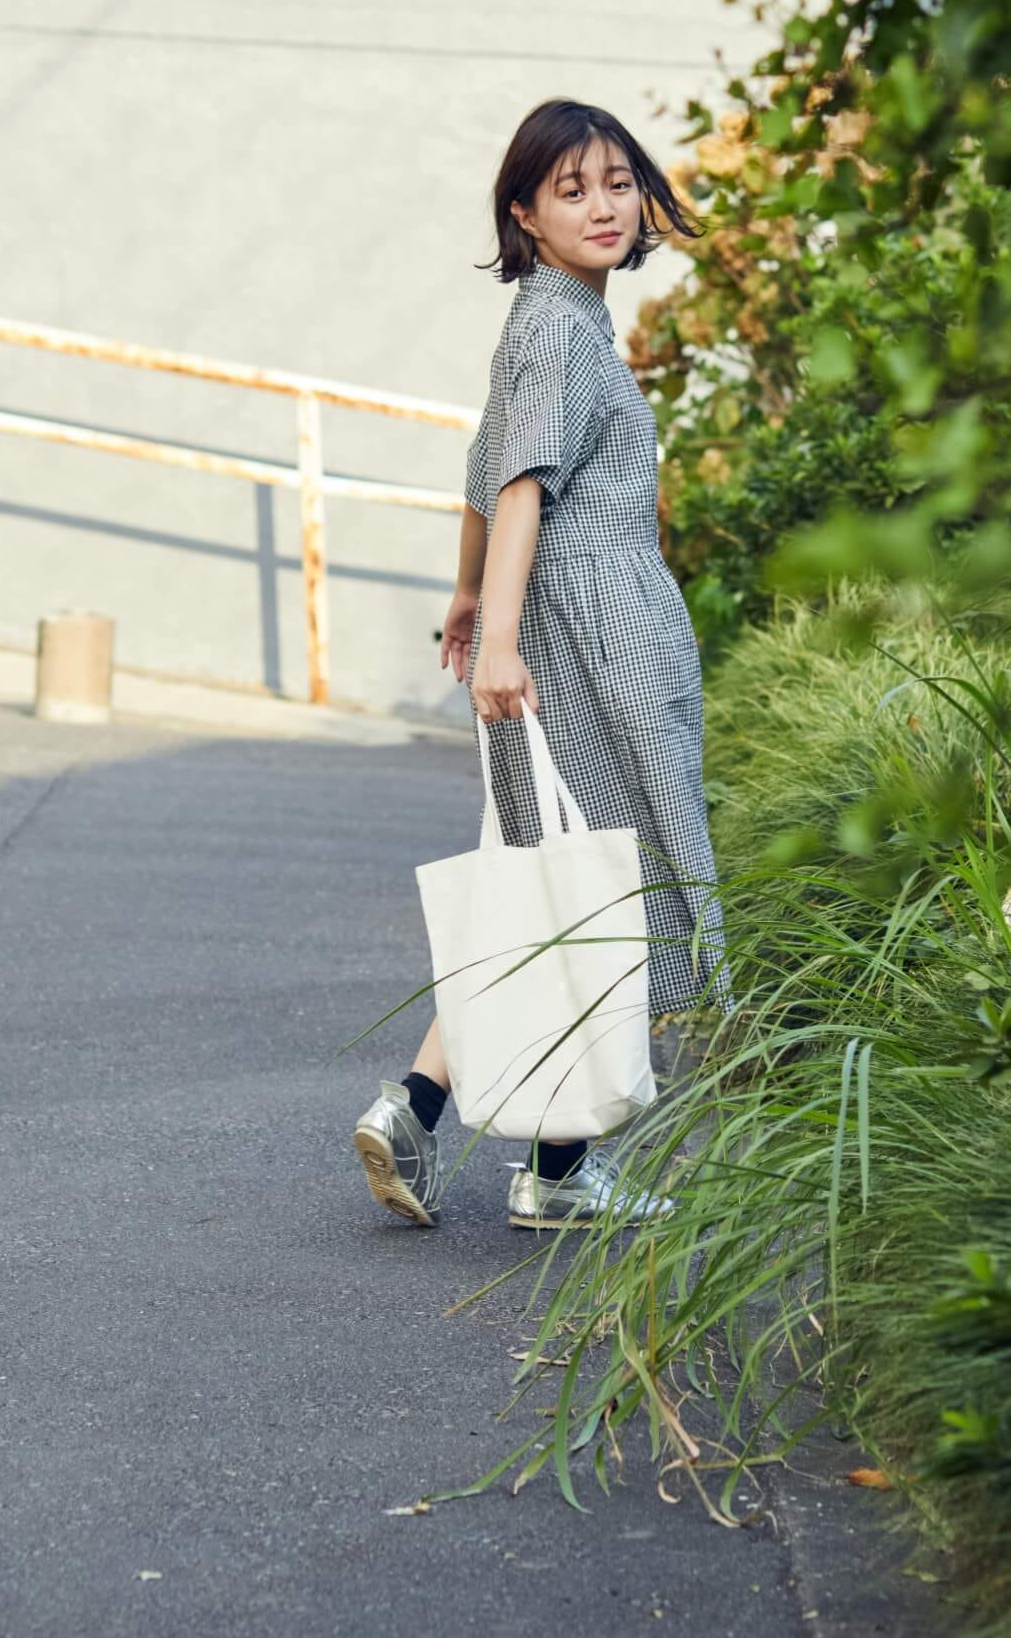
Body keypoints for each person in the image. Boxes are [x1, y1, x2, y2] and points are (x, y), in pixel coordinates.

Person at [353, 97, 726, 1231]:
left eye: (617, 181)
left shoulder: (542, 320)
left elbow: (483, 468)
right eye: (571, 190)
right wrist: (498, 635)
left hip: (559, 627)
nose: (604, 205)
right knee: (636, 881)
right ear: (525, 212)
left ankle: (428, 1113)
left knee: (548, 875)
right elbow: (520, 484)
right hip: (597, 633)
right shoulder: (562, 326)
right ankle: (555, 1165)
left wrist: (471, 593)